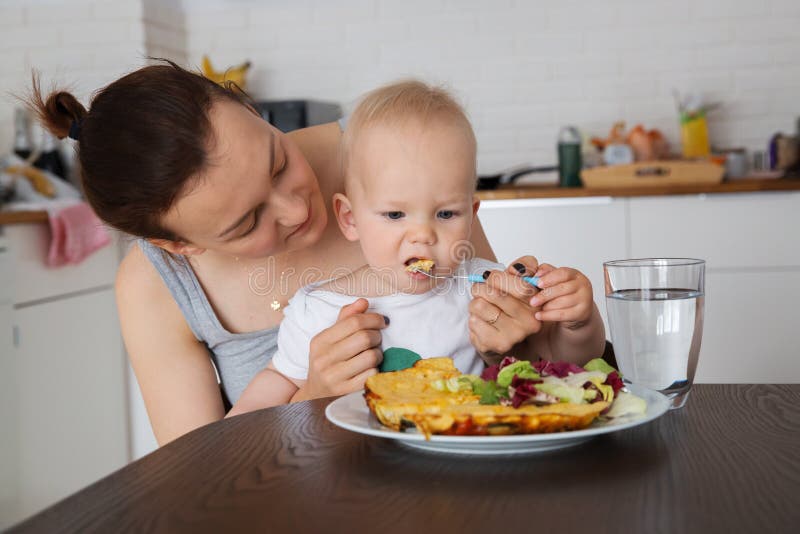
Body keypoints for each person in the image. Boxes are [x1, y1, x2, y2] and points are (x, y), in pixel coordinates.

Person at [28, 61, 605, 445]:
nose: (296, 209)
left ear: (253, 111)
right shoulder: (153, 287)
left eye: (277, 160)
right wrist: (310, 397)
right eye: (249, 221)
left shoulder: (385, 152)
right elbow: (197, 481)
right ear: (177, 245)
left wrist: (524, 319)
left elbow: (523, 350)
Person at [229, 80, 606, 416]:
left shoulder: (484, 287)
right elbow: (259, 409)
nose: (422, 235)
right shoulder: (317, 311)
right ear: (350, 219)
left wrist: (578, 322)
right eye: (395, 214)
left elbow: (566, 361)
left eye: (445, 213)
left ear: (471, 216)